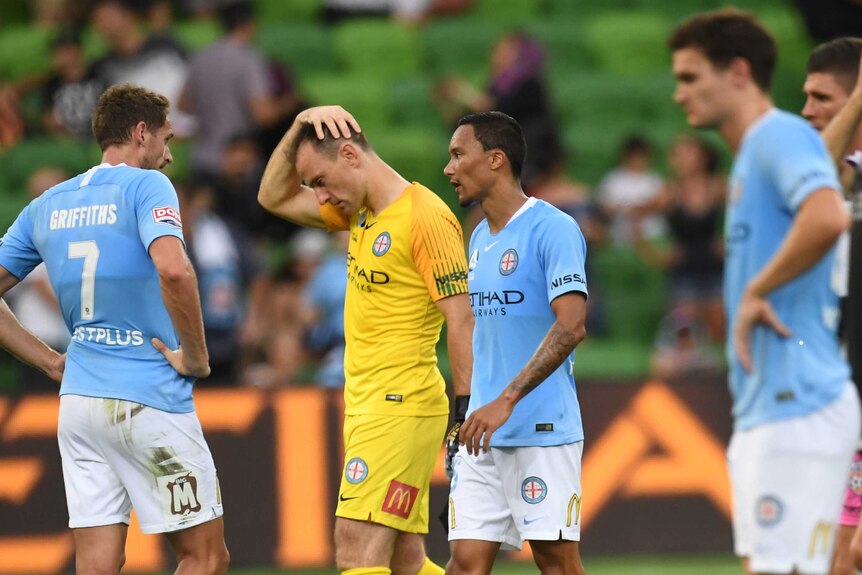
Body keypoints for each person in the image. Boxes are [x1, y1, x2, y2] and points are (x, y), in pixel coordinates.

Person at [0, 83, 229, 574]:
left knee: (97, 564)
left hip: (79, 403)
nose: (169, 156)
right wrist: (195, 357)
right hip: (148, 396)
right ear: (141, 133)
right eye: (166, 140)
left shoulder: (49, 203)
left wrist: (47, 360)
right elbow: (174, 270)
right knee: (205, 557)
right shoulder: (147, 186)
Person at [669, 10, 861, 575]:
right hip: (781, 403)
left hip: (796, 401)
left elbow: (826, 216)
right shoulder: (759, 153)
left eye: (690, 77)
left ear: (737, 73)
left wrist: (756, 290)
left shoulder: (777, 137)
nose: (680, 94)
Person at [258, 105, 473, 575]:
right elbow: (272, 197)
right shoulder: (358, 212)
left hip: (400, 403)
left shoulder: (426, 218)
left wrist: (464, 411)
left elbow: (462, 321)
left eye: (319, 180)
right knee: (407, 561)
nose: (319, 194)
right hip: (370, 403)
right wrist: (298, 125)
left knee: (355, 548)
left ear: (350, 155)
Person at [443, 111, 588, 575]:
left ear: (496, 160)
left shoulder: (553, 228)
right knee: (464, 563)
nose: (449, 169)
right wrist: (467, 409)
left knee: (557, 565)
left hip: (541, 430)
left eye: (458, 154)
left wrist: (507, 399)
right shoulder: (480, 237)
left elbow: (571, 325)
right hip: (482, 434)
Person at [801, 37, 862, 575]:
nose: (807, 111)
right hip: (845, 389)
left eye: (822, 97)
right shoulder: (844, 176)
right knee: (840, 564)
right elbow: (819, 178)